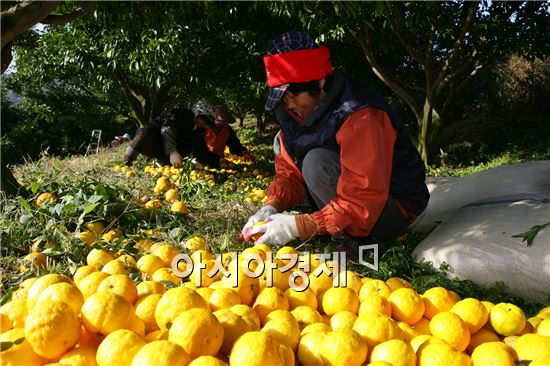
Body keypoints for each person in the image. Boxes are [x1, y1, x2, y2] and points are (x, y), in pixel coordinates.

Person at [241, 31, 429, 249]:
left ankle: (355, 239)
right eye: (282, 96)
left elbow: (364, 196)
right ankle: (341, 228)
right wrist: (272, 205)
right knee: (307, 158)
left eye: (293, 95)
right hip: (347, 203)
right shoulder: (291, 114)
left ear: (318, 82)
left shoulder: (359, 115)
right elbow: (289, 172)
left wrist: (302, 225)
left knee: (315, 161)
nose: (289, 104)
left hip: (390, 207)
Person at [124, 101, 250, 168]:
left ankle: (163, 161)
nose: (207, 125)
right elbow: (167, 130)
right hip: (155, 137)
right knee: (145, 134)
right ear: (198, 116)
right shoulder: (182, 115)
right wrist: (172, 151)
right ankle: (129, 157)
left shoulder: (200, 130)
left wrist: (218, 160)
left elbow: (201, 151)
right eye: (205, 120)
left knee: (188, 146)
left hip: (166, 148)